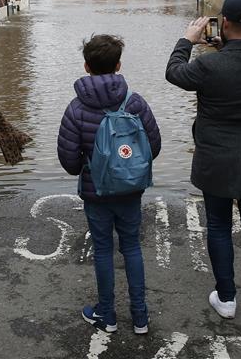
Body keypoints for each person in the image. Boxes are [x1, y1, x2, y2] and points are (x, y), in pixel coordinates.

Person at [165, 0, 241, 326]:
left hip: (215, 159)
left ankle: (227, 298)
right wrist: (226, 49)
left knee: (219, 227)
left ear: (227, 24)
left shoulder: (207, 66)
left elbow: (174, 73)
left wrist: (187, 40)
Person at [57, 34, 162, 335]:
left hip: (96, 192)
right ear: (118, 65)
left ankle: (107, 314)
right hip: (131, 190)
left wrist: (88, 167)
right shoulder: (135, 103)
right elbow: (153, 146)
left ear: (86, 66)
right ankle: (140, 317)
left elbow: (68, 161)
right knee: (131, 247)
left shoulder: (76, 109)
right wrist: (130, 168)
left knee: (103, 250)